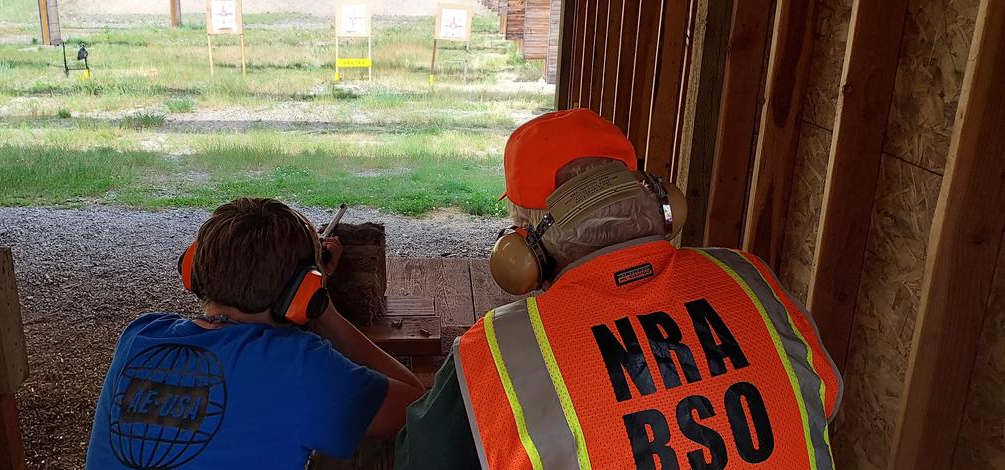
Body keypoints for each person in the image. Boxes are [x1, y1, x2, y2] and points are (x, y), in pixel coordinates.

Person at [395, 109, 842, 469]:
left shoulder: (497, 350)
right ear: (658, 203)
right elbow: (825, 396)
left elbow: (417, 455)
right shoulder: (749, 278)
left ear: (523, 242)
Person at [86, 198, 424, 469]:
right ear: (303, 293)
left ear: (192, 268)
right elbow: (417, 407)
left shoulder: (141, 335)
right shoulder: (298, 365)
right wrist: (325, 312)